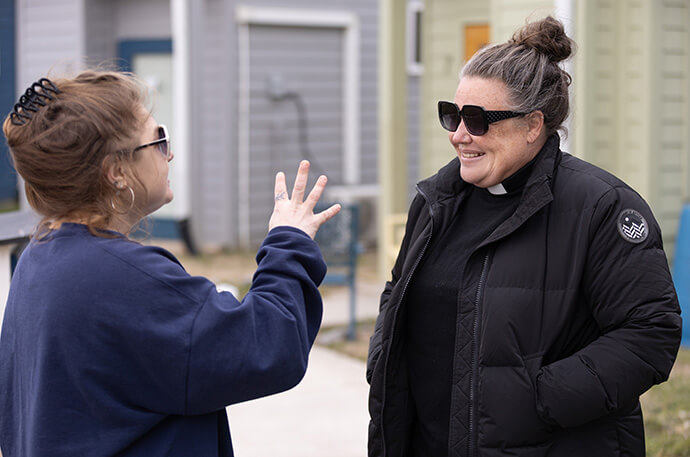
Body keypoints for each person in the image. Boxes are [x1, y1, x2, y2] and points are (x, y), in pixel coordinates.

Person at [366, 16, 682, 457]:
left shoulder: (601, 207)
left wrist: (538, 398)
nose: (459, 135)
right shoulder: (435, 201)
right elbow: (396, 296)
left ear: (533, 125)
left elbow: (650, 332)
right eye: (452, 115)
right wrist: (382, 359)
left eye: (477, 120)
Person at [0, 70, 340, 457]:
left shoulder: (37, 259)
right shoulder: (121, 279)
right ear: (116, 172)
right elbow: (269, 345)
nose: (170, 152)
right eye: (158, 140)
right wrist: (288, 239)